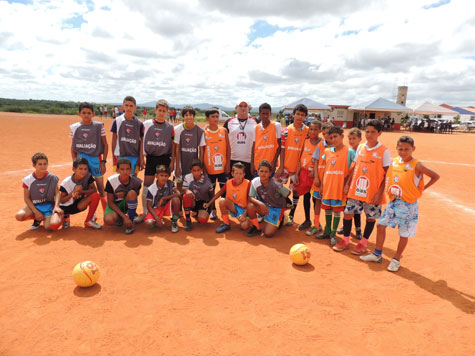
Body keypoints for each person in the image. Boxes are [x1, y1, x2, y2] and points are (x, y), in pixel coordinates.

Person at [360, 136, 440, 271]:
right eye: (400, 149)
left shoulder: (417, 165)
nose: (403, 152)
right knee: (381, 226)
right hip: (394, 201)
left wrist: (421, 189)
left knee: (403, 233)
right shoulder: (395, 162)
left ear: (413, 149)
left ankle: (396, 259)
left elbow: (435, 176)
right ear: (396, 149)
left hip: (408, 205)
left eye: (406, 149)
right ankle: (377, 254)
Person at [335, 119, 391, 254]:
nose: (369, 135)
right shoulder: (360, 148)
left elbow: (386, 174)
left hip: (372, 191)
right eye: (367, 131)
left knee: (370, 217)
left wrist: (379, 193)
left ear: (380, 133)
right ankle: (346, 240)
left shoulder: (384, 151)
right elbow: (354, 168)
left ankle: (363, 243)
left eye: (373, 132)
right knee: (348, 213)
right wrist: (348, 183)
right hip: (356, 189)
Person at [314, 126, 355, 247]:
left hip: (339, 187)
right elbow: (326, 168)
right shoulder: (327, 151)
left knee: (337, 210)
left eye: (335, 136)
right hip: (327, 186)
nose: (333, 139)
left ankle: (333, 234)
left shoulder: (349, 152)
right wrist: (321, 185)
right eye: (331, 137)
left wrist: (347, 184)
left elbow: (355, 168)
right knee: (327, 209)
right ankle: (326, 231)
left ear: (342, 136)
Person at [139, 99, 175, 223]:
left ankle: (164, 211)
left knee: (164, 185)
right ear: (155, 110)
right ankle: (145, 212)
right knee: (147, 185)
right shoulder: (147, 124)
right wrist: (141, 157)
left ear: (167, 112)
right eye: (159, 110)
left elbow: (173, 145)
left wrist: (172, 161)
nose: (161, 113)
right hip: (151, 158)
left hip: (164, 158)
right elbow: (141, 141)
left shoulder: (170, 127)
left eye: (164, 111)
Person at [70, 102, 108, 212]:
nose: (86, 115)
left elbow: (105, 145)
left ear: (93, 114)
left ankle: (107, 212)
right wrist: (74, 162)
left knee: (101, 187)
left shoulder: (99, 126)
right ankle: (93, 214)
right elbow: (73, 147)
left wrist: (103, 162)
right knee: (86, 188)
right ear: (79, 113)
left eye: (89, 113)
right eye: (84, 113)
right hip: (81, 160)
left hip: (96, 159)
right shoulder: (75, 127)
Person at [275, 104, 309, 226]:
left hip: (298, 169)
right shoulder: (286, 131)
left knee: (295, 192)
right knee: (276, 188)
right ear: (293, 114)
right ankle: (279, 211)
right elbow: (282, 149)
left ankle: (291, 216)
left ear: (305, 117)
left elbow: (305, 152)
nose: (300, 117)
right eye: (298, 114)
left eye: (302, 115)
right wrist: (281, 166)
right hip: (285, 167)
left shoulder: (307, 132)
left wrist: (298, 171)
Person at [15, 152, 62, 231]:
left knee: (49, 227)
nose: (43, 166)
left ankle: (63, 216)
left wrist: (56, 206)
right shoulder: (28, 180)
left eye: (45, 164)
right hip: (35, 205)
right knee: (19, 216)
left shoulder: (52, 177)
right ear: (34, 165)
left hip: (49, 205)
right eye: (40, 164)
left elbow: (57, 193)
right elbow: (26, 198)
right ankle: (37, 218)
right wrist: (35, 211)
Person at [247, 160, 290, 238]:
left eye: (266, 172)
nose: (263, 173)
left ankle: (282, 217)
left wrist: (279, 194)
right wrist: (260, 203)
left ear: (270, 173)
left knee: (268, 234)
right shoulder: (255, 182)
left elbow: (287, 193)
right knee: (250, 206)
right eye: (261, 171)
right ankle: (256, 227)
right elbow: (250, 197)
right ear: (258, 172)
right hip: (265, 206)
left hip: (277, 208)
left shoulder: (275, 184)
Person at [205, 162, 251, 233]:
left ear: (244, 174)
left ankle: (249, 220)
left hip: (244, 209)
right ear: (232, 174)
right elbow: (219, 193)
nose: (238, 175)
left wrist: (244, 215)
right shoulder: (228, 182)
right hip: (233, 207)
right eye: (236, 173)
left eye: (240, 173)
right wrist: (209, 203)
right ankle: (226, 224)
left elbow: (251, 202)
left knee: (244, 226)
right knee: (222, 201)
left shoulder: (248, 183)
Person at [202, 108, 231, 220]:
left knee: (224, 190)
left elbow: (228, 148)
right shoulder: (204, 133)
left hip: (223, 168)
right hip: (210, 169)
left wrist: (228, 163)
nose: (215, 119)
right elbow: (203, 150)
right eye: (212, 117)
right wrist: (204, 168)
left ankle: (225, 212)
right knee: (211, 191)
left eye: (216, 116)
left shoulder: (223, 131)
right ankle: (212, 210)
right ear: (207, 118)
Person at [293, 119, 322, 231]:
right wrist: (297, 173)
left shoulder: (322, 143)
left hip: (315, 175)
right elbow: (301, 159)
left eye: (315, 129)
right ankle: (307, 220)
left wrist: (315, 173)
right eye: (311, 129)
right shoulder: (306, 142)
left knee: (316, 199)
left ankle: (316, 222)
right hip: (304, 173)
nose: (313, 131)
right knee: (306, 197)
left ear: (319, 131)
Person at [59, 157, 102, 230]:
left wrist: (81, 191)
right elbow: (61, 200)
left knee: (95, 195)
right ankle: (65, 217)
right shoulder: (66, 183)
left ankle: (88, 221)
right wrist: (72, 193)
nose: (83, 171)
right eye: (80, 169)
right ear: (74, 169)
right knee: (53, 225)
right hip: (65, 207)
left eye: (85, 169)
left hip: (79, 204)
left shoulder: (88, 176)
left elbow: (94, 190)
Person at [103, 158, 142, 234]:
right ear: (117, 170)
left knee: (132, 193)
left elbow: (135, 197)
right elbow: (110, 202)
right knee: (108, 220)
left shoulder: (136, 182)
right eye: (122, 169)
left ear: (131, 169)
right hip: (115, 204)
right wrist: (124, 217)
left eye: (127, 169)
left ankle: (131, 222)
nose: (125, 172)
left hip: (126, 203)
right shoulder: (111, 181)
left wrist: (125, 194)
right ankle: (122, 218)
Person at [307, 122, 332, 236]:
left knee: (330, 205)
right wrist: (316, 177)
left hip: (331, 181)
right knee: (317, 202)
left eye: (329, 134)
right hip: (319, 179)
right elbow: (316, 161)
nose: (327, 136)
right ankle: (316, 225)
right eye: (325, 133)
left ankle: (329, 228)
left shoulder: (337, 146)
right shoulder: (320, 145)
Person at [337, 127, 363, 239]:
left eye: (354, 138)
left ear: (360, 139)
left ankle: (358, 229)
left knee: (356, 207)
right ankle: (346, 226)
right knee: (348, 206)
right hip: (350, 182)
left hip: (357, 183)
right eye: (350, 138)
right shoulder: (349, 151)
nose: (351, 141)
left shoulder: (361, 151)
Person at [111, 96, 145, 177]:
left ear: (135, 107)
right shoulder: (117, 121)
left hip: (134, 156)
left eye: (131, 106)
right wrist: (113, 155)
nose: (129, 108)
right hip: (120, 155)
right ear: (123, 106)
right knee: (121, 178)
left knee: (133, 179)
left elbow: (141, 142)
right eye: (126, 105)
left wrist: (141, 158)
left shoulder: (139, 123)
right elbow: (114, 140)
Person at [223, 100, 257, 180]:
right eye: (240, 106)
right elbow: (221, 136)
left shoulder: (255, 122)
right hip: (233, 160)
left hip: (249, 160)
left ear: (248, 108)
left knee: (248, 188)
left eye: (245, 106)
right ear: (236, 108)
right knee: (233, 186)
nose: (243, 108)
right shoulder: (229, 122)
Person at [174, 106, 206, 187]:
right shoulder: (177, 129)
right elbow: (177, 148)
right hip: (181, 163)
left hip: (193, 165)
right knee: (180, 186)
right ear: (183, 117)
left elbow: (201, 150)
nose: (188, 117)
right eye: (186, 115)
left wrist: (200, 167)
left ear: (194, 116)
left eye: (190, 115)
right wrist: (177, 167)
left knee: (192, 186)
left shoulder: (200, 131)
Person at [144, 165, 181, 233]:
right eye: (161, 175)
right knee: (149, 224)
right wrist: (156, 218)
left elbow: (178, 193)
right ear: (156, 176)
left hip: (167, 206)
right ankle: (158, 219)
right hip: (156, 208)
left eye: (166, 175)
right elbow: (149, 206)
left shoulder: (170, 183)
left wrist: (164, 198)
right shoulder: (152, 188)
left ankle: (174, 222)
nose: (164, 178)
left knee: (176, 199)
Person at [181, 159, 214, 231]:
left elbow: (212, 195)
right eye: (194, 170)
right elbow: (184, 188)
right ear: (190, 170)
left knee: (203, 220)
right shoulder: (187, 177)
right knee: (186, 196)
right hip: (193, 201)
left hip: (203, 203)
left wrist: (210, 206)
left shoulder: (207, 181)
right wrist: (187, 190)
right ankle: (188, 220)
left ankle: (197, 212)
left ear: (201, 170)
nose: (196, 172)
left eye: (198, 170)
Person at [251, 103, 281, 177]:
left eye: (267, 114)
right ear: (259, 114)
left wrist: (274, 162)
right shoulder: (256, 128)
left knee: (269, 187)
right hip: (258, 165)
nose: (265, 116)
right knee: (258, 187)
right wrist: (252, 164)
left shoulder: (276, 126)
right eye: (263, 113)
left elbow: (279, 146)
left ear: (270, 114)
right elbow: (253, 147)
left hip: (270, 165)